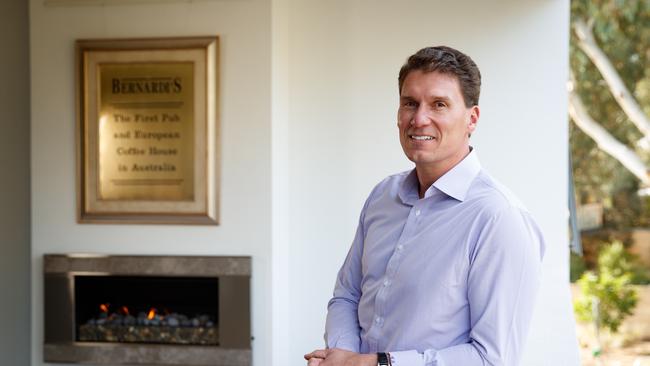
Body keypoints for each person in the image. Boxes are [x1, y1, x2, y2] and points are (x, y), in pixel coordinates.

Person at [304, 46, 545, 366]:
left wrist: (376, 364)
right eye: (410, 103)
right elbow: (347, 295)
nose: (419, 119)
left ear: (471, 118)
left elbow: (491, 358)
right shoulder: (382, 196)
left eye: (439, 104)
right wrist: (344, 355)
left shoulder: (499, 219)